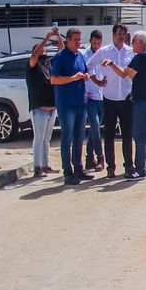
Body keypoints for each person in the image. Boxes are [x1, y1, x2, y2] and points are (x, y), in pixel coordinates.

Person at [103, 32, 146, 178]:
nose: (132, 43)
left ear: (140, 42)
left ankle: (140, 169)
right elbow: (125, 73)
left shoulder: (141, 57)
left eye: (134, 41)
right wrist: (113, 64)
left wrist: (113, 65)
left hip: (141, 101)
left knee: (139, 134)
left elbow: (127, 74)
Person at [49, 28, 92, 185]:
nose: (78, 42)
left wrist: (84, 77)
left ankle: (78, 169)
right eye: (75, 40)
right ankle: (68, 172)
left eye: (80, 39)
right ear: (67, 40)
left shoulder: (80, 56)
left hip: (81, 103)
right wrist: (73, 78)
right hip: (67, 105)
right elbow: (54, 80)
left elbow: (84, 73)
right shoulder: (61, 57)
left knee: (79, 138)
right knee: (67, 139)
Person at [94, 24, 135, 178]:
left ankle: (129, 165)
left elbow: (129, 73)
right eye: (119, 33)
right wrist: (97, 81)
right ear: (113, 35)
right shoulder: (104, 51)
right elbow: (89, 66)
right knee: (109, 135)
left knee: (127, 135)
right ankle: (111, 167)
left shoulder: (131, 52)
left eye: (123, 34)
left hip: (126, 98)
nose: (121, 36)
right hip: (109, 98)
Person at [27, 29, 59, 177]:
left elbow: (61, 52)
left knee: (47, 139)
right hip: (39, 109)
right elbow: (34, 56)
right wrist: (46, 38)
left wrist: (57, 36)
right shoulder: (32, 65)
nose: (44, 51)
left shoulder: (48, 64)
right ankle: (37, 167)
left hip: (52, 109)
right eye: (41, 49)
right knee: (39, 138)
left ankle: (45, 165)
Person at [82, 30, 105, 171]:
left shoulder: (104, 53)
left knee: (94, 129)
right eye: (94, 43)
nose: (96, 46)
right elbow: (86, 73)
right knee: (95, 125)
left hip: (101, 96)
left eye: (98, 43)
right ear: (90, 41)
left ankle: (89, 159)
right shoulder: (84, 55)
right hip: (89, 96)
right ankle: (100, 157)